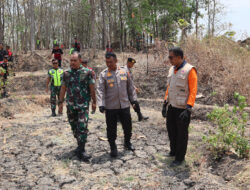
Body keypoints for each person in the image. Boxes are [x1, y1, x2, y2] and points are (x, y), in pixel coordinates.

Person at [97, 52, 138, 158]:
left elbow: (130, 87)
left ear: (116, 61)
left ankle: (127, 143)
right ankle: (113, 147)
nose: (108, 64)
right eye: (107, 62)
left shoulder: (124, 72)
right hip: (111, 107)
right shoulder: (103, 74)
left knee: (127, 126)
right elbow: (100, 90)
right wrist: (101, 104)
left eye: (110, 62)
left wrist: (133, 100)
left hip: (124, 105)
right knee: (111, 129)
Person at [162, 47, 197, 166]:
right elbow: (169, 87)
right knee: (171, 130)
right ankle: (173, 151)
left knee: (181, 134)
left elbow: (193, 90)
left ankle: (179, 158)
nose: (169, 59)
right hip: (172, 106)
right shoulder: (172, 69)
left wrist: (189, 107)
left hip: (183, 108)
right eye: (169, 57)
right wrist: (165, 102)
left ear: (179, 57)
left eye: (171, 57)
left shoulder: (190, 70)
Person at [59, 52, 96, 162]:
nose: (73, 62)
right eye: (71, 60)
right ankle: (79, 146)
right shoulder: (66, 73)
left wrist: (94, 101)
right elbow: (63, 88)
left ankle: (82, 150)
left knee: (82, 126)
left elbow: (92, 87)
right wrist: (60, 103)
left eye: (75, 60)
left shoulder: (87, 72)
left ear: (80, 61)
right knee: (74, 127)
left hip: (83, 105)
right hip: (70, 106)